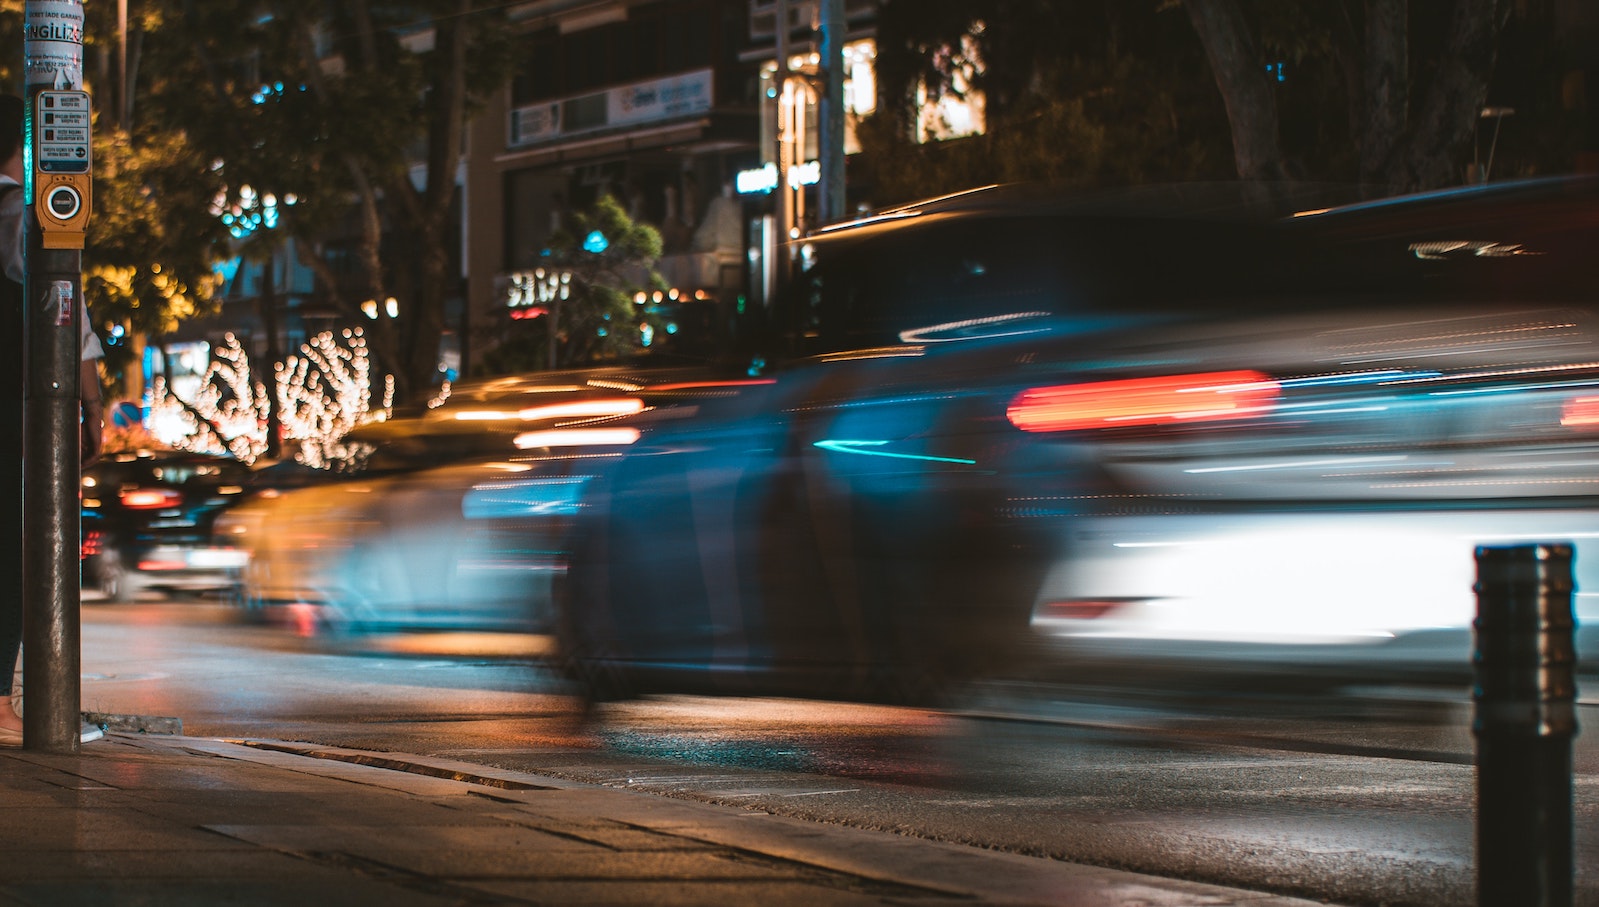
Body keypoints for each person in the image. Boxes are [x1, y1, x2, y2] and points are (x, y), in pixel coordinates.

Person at [0, 93, 104, 746]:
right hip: (12, 407)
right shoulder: (21, 216)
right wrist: (91, 406)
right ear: (25, 142)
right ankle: (0, 706)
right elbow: (67, 309)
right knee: (12, 550)